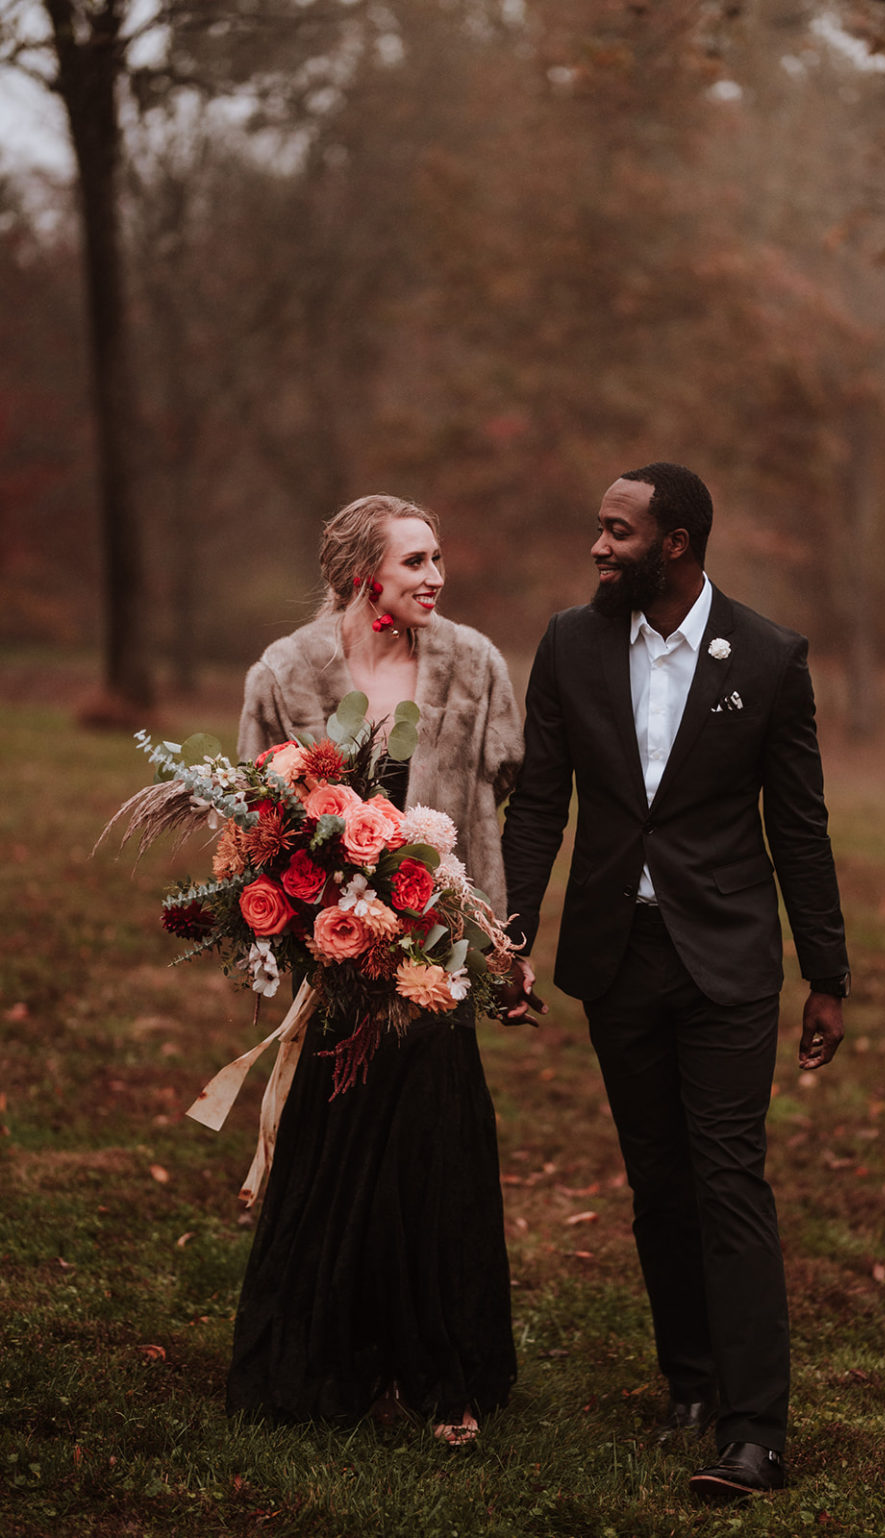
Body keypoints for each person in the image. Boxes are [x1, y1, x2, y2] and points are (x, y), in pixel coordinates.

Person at [501, 462, 849, 1502]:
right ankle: (690, 1380)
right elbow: (538, 804)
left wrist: (824, 970)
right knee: (659, 1184)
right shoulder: (570, 642)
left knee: (727, 1176)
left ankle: (755, 1431)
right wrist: (508, 931)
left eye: (617, 531)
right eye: (598, 530)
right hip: (619, 954)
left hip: (729, 957)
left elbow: (798, 824)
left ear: (677, 541)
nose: (599, 547)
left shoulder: (772, 656)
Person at [227, 494, 523, 1444]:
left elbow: (509, 792)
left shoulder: (474, 667)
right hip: (335, 955)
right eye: (416, 561)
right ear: (367, 576)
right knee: (336, 1149)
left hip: (440, 953)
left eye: (438, 558)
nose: (437, 576)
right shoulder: (286, 674)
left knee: (435, 1150)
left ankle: (447, 1377)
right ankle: (320, 1365)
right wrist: (305, 917)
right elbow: (254, 817)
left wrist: (494, 940)